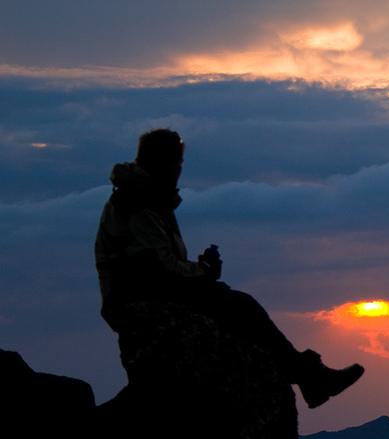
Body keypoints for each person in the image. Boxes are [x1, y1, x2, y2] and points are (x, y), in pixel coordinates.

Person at [95, 128, 363, 408]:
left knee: (232, 303)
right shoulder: (141, 205)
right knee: (241, 306)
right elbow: (159, 270)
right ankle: (311, 378)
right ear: (165, 163)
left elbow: (157, 265)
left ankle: (309, 379)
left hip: (139, 293)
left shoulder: (141, 198)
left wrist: (202, 272)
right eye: (178, 162)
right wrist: (203, 270)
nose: (180, 169)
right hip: (134, 300)